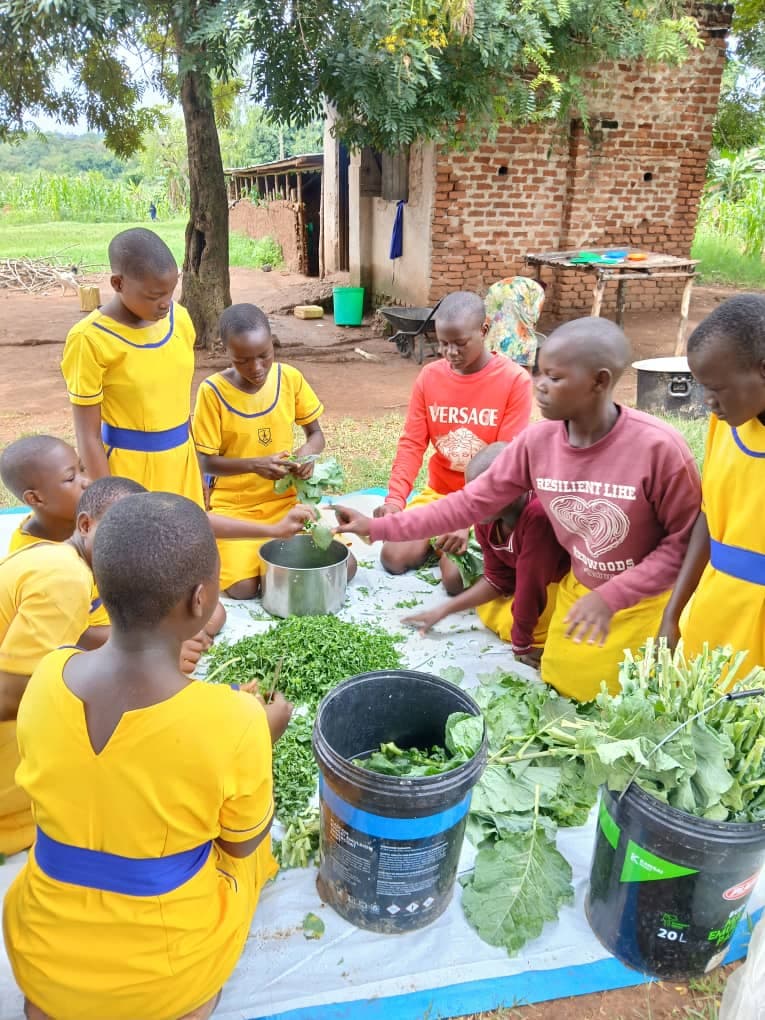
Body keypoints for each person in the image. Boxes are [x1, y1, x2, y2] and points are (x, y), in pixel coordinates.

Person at [3, 492, 293, 1020]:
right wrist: (260, 735)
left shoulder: (47, 677)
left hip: (40, 955)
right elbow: (240, 841)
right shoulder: (234, 720)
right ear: (201, 600)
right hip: (166, 971)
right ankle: (186, 1001)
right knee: (253, 861)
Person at [335, 317, 701, 701]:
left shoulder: (659, 449)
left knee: (633, 694)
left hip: (646, 596)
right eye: (539, 373)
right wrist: (375, 528)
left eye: (555, 378)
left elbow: (684, 543)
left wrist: (617, 598)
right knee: (563, 679)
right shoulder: (536, 443)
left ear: (600, 381)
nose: (539, 386)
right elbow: (469, 503)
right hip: (585, 589)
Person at [0, 475, 144, 857]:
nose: (132, 551)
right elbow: (10, 699)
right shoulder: (65, 578)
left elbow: (81, 635)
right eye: (120, 534)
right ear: (85, 525)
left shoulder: (61, 560)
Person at [375, 290, 533, 594]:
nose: (450, 353)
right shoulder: (429, 378)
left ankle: (445, 544)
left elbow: (504, 466)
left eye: (460, 343)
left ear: (484, 330)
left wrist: (469, 519)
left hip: (488, 505)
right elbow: (412, 444)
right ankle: (438, 540)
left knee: (454, 579)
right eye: (442, 343)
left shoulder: (515, 381)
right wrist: (395, 501)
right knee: (393, 557)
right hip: (440, 493)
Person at [193, 302, 354, 598]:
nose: (257, 368)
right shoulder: (212, 392)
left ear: (273, 344)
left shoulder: (289, 378)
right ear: (225, 350)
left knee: (346, 566)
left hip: (286, 502)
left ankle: (274, 548)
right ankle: (247, 550)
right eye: (243, 360)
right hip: (236, 507)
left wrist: (306, 454)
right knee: (243, 588)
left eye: (264, 356)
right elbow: (203, 462)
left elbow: (315, 434)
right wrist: (255, 465)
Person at [660, 294, 765, 677]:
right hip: (714, 615)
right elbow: (709, 517)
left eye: (716, 388)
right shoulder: (725, 426)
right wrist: (674, 612)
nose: (708, 402)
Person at [61, 227, 204, 505]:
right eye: (153, 296)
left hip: (182, 464)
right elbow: (87, 434)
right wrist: (109, 501)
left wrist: (197, 469)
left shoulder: (181, 320)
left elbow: (180, 406)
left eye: (170, 292)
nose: (165, 304)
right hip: (128, 473)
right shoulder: (89, 339)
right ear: (117, 283)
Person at [402, 443, 569, 667]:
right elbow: (497, 579)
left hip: (560, 581)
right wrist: (442, 611)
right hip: (530, 580)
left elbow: (532, 587)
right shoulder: (487, 518)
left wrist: (521, 645)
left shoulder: (539, 515)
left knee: (541, 635)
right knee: (498, 611)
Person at [484, 276, 546, 370]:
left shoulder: (505, 287)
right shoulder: (537, 290)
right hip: (518, 349)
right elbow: (533, 317)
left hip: (492, 345)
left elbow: (488, 316)